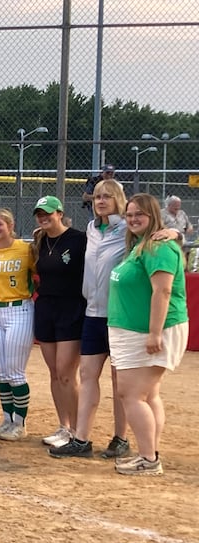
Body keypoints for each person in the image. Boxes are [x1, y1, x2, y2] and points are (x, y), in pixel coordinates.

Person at [108, 193, 188, 475]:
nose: (132, 219)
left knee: (131, 394)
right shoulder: (142, 245)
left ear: (153, 215)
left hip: (150, 331)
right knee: (148, 395)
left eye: (139, 214)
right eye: (129, 215)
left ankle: (148, 459)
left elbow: (163, 290)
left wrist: (155, 333)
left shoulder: (158, 247)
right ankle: (150, 452)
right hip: (135, 329)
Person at [32, 196, 87, 449]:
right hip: (46, 308)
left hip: (71, 308)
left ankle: (77, 430)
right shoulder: (40, 240)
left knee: (67, 372)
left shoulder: (78, 239)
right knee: (54, 371)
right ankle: (63, 425)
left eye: (48, 213)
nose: (43, 217)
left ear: (60, 213)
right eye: (39, 214)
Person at [0, 208, 35, 441]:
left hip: (20, 309)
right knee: (1, 372)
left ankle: (20, 424)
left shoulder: (26, 249)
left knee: (15, 373)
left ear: (10, 226)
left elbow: (38, 275)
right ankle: (7, 419)